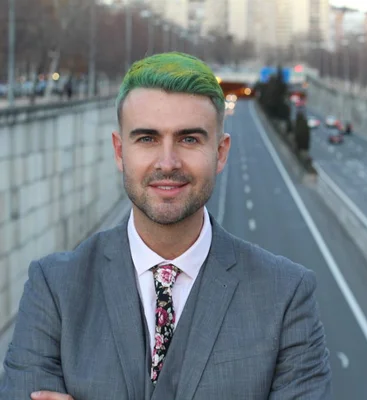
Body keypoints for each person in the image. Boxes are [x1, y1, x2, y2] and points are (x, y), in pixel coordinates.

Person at [0, 52, 332, 400]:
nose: (168, 162)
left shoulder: (287, 295)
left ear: (220, 153)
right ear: (119, 151)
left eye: (189, 139)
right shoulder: (54, 290)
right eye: (147, 139)